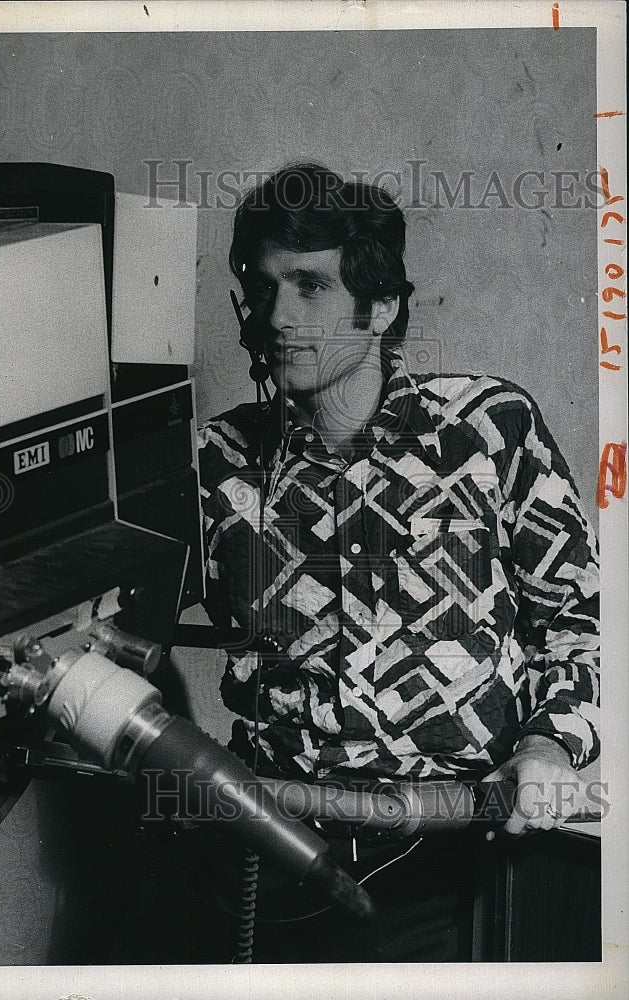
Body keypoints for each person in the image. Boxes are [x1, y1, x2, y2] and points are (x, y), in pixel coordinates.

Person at [191, 163, 600, 962]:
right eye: (262, 287)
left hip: (458, 858)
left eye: (309, 287)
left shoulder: (489, 429)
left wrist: (549, 747)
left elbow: (581, 622)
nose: (277, 318)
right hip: (269, 852)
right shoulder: (218, 462)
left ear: (380, 307)